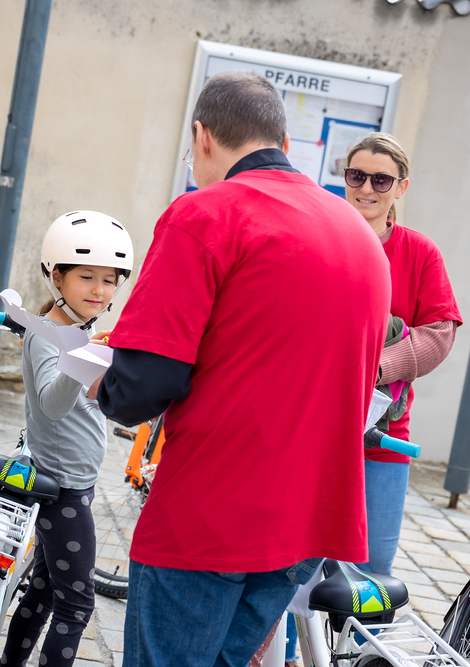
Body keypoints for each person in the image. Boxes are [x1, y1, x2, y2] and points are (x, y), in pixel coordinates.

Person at [90, 70, 392, 667]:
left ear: (202, 137)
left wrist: (108, 384)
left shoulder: (204, 215)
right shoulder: (357, 235)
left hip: (212, 509)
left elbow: (144, 385)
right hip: (310, 518)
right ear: (284, 140)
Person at [0, 211, 134, 667]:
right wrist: (83, 362)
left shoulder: (80, 331)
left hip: (76, 481)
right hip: (63, 490)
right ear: (57, 277)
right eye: (87, 277)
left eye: (109, 280)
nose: (99, 290)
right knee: (76, 605)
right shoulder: (47, 336)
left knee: (42, 590)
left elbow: (86, 401)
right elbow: (52, 405)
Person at [343, 133, 462, 576]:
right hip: (313, 428)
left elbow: (440, 334)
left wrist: (374, 367)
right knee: (294, 565)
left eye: (381, 179)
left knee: (373, 569)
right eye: (357, 175)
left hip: (382, 435)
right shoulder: (321, 235)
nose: (367, 188)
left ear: (401, 187)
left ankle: (355, 632)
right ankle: (294, 629)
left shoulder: (419, 252)